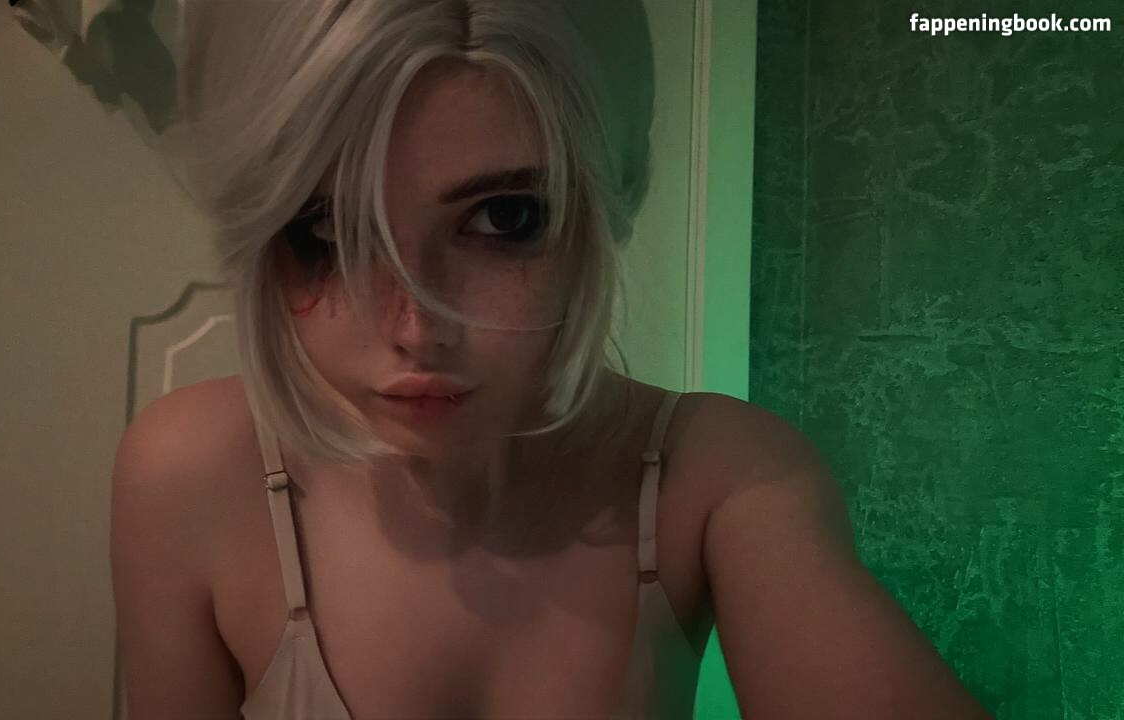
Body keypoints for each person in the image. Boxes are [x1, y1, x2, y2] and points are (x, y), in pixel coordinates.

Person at [109, 2, 993, 718]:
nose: (415, 326)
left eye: (504, 220)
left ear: (606, 200)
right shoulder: (194, 473)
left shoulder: (719, 480)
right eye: (327, 232)